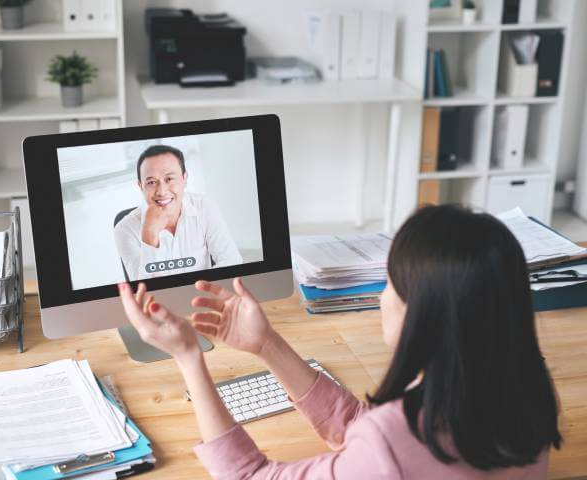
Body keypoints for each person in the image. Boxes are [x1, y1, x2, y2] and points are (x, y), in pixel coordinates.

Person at [117, 204, 562, 479]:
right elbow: (361, 429)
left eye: (389, 285)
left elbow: (250, 476)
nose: (381, 298)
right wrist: (267, 344)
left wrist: (189, 357)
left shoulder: (396, 443)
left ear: (422, 314)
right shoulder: (523, 394)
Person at [114, 144, 242, 281]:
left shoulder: (204, 207)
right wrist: (149, 236)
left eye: (169, 179)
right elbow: (142, 291)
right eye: (151, 182)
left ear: (184, 178)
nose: (162, 191)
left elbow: (231, 261)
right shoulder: (125, 229)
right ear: (141, 187)